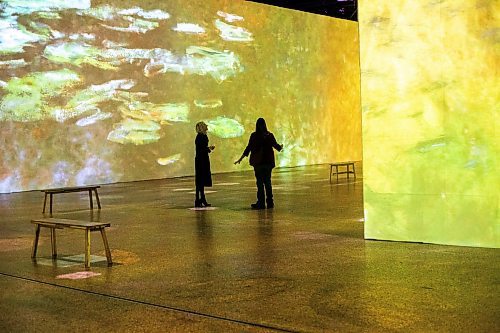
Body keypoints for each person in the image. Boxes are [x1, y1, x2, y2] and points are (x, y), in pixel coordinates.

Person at [234, 118, 283, 209]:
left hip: (258, 163)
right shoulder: (269, 135)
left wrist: (240, 159)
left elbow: (248, 148)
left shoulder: (254, 136)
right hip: (268, 163)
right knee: (268, 182)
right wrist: (281, 146)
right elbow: (277, 147)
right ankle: (270, 202)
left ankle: (260, 203)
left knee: (260, 183)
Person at [195, 121, 215, 207]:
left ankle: (199, 199)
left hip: (201, 159)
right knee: (200, 180)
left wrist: (207, 149)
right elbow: (202, 149)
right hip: (202, 160)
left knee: (200, 180)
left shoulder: (200, 137)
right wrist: (209, 148)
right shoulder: (201, 137)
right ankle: (200, 199)